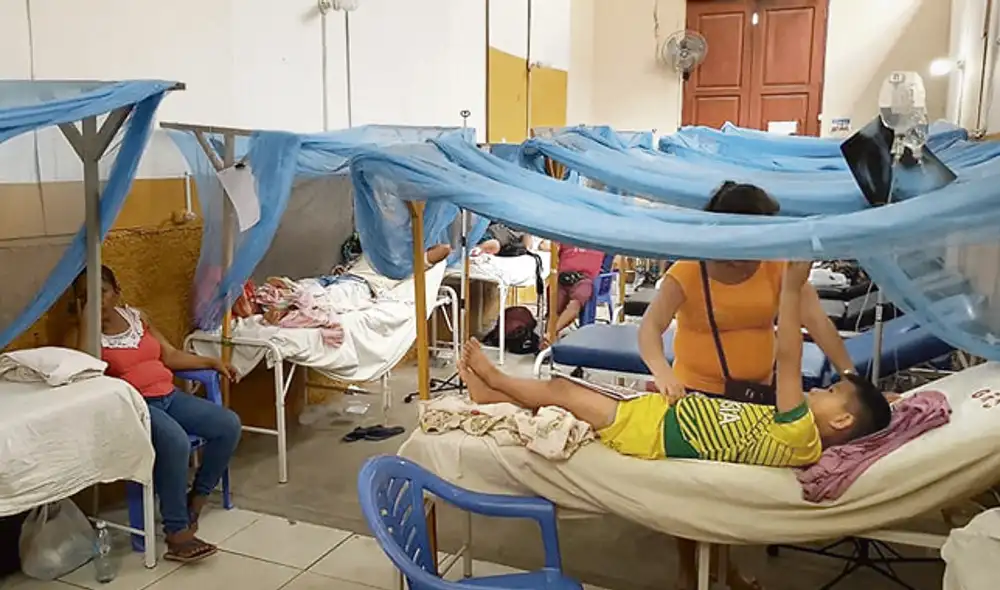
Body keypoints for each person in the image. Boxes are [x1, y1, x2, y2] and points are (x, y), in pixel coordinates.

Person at [457, 262, 892, 589]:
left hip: (657, 428)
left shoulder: (800, 433)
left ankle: (496, 379)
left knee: (562, 391)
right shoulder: (803, 433)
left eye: (831, 393)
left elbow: (789, 355)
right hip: (678, 404)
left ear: (840, 419)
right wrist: (664, 374)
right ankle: (492, 394)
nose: (821, 390)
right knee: (570, 402)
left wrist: (794, 290)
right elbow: (653, 330)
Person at [638, 182, 861, 589]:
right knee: (696, 493)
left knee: (737, 493)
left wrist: (851, 375)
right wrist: (661, 371)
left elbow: (818, 323)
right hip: (697, 395)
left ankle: (729, 568)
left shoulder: (774, 266)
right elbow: (650, 329)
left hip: (758, 395)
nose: (753, 260)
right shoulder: (689, 270)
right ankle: (691, 570)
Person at [66, 266, 242, 563]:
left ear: (116, 291)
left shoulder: (136, 318)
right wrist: (87, 322)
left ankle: (196, 497)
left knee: (228, 424)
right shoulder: (79, 334)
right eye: (86, 297)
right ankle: (177, 533)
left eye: (102, 292)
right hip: (133, 407)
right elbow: (85, 372)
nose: (97, 301)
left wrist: (211, 362)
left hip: (168, 396)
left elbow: (169, 355)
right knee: (175, 442)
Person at [539, 241, 608, 345]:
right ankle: (550, 340)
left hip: (585, 279)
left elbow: (613, 262)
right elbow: (544, 245)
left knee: (576, 301)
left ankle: (550, 335)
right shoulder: (567, 235)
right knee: (554, 301)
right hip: (563, 278)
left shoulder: (599, 238)